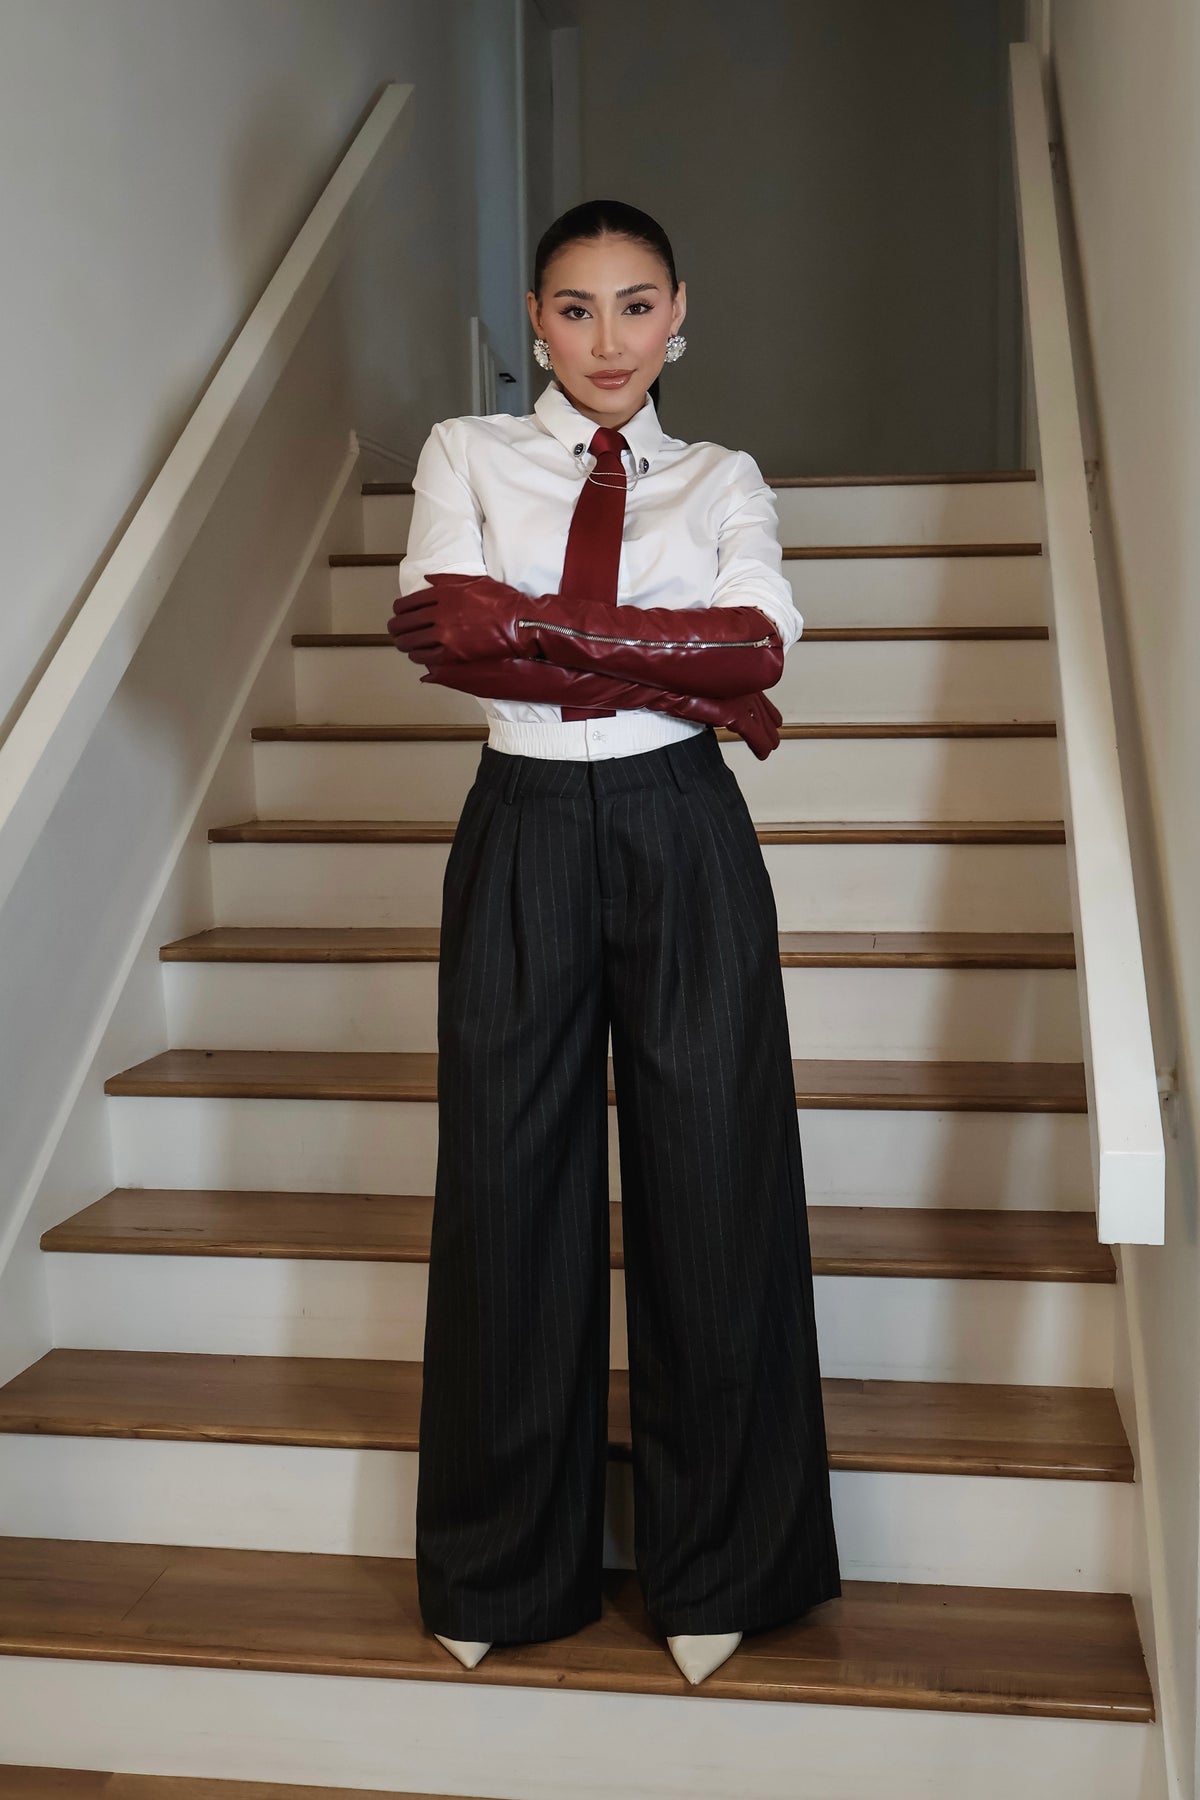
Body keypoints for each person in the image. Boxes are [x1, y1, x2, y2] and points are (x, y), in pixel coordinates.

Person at [388, 199, 841, 1688]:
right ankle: (501, 1562)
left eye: (635, 305)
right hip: (520, 825)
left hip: (682, 828)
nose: (607, 340)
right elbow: (439, 629)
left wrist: (542, 632)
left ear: (678, 312)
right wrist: (665, 658)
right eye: (575, 309)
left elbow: (757, 646)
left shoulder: (723, 477)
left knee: (714, 1174)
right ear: (534, 320)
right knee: (507, 1178)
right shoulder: (465, 452)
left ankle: (726, 1563)